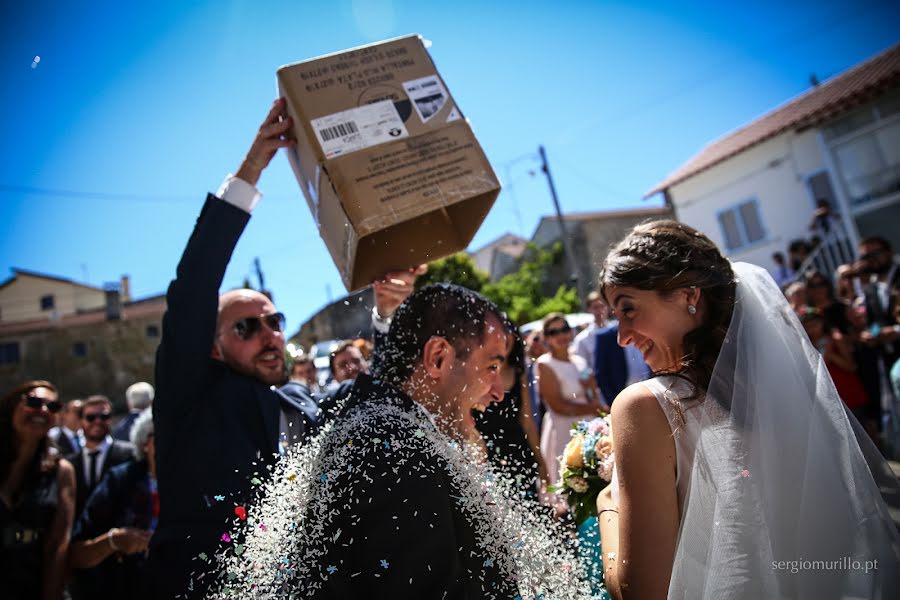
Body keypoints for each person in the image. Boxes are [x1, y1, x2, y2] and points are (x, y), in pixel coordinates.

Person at [145, 99, 416, 599]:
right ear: (210, 348)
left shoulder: (303, 402)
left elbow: (380, 396)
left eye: (274, 321)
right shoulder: (190, 399)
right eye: (246, 328)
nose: (269, 334)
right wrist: (250, 171)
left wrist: (386, 312)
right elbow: (192, 289)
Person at [213, 284, 596, 598]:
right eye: (492, 365)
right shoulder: (394, 454)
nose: (499, 391)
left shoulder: (395, 425)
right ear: (438, 358)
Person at [594, 220, 899, 599]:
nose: (622, 336)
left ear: (689, 295)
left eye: (628, 308)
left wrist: (607, 503)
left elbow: (641, 591)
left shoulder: (647, 407)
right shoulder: (785, 399)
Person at [69, 409, 157, 599]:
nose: (170, 441)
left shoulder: (195, 486)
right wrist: (114, 540)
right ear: (145, 443)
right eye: (159, 434)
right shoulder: (120, 481)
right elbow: (77, 552)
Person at [0, 380, 76, 600]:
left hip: (30, 586)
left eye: (52, 407)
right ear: (12, 406)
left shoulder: (61, 472)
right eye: (34, 402)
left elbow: (57, 547)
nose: (42, 410)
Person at [474, 322, 548, 497]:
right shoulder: (476, 371)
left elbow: (527, 419)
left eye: (507, 336)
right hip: (486, 449)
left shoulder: (518, 371)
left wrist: (541, 460)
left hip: (518, 448)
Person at [537, 312, 606, 474]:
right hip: (563, 430)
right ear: (546, 338)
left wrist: (591, 387)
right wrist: (593, 409)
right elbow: (557, 405)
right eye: (554, 332)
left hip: (587, 426)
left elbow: (591, 396)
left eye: (564, 329)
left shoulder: (579, 361)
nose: (561, 335)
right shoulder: (545, 364)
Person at [69, 395, 135, 518]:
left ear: (111, 419)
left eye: (104, 416)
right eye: (91, 417)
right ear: (81, 421)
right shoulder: (70, 463)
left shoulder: (129, 455)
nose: (97, 421)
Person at [571, 291, 608, 367]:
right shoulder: (582, 339)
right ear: (589, 309)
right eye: (595, 307)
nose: (600, 311)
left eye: (602, 306)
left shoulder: (619, 332)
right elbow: (581, 368)